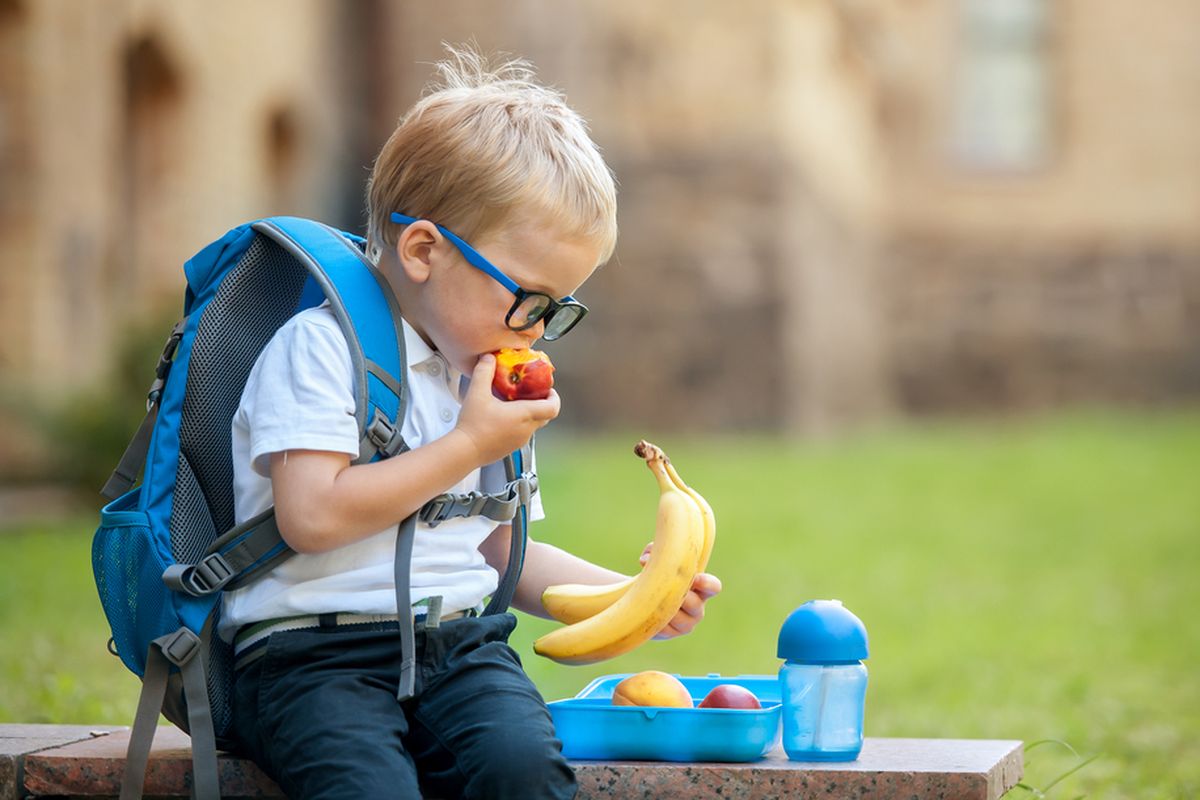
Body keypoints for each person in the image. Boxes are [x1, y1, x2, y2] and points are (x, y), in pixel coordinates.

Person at [221, 45, 722, 799]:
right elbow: (312, 517)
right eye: (527, 298)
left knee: (526, 774)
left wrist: (636, 595)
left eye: (557, 309)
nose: (536, 329)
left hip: (460, 648)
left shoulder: (478, 377)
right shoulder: (321, 350)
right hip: (311, 656)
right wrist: (469, 444)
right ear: (424, 250)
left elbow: (494, 546)